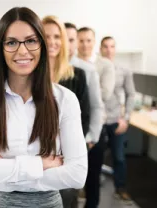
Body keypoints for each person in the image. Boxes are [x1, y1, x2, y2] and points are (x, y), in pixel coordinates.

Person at [0, 7, 88, 208]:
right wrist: (41, 164)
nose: (22, 51)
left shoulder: (65, 99)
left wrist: (4, 167)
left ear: (41, 45)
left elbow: (77, 175)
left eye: (31, 41)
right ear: (1, 48)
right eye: (12, 42)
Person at [42, 16, 90, 208]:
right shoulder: (27, 76)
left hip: (66, 161)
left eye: (56, 36)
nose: (52, 42)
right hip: (37, 160)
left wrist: (70, 154)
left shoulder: (77, 75)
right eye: (46, 36)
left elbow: (84, 118)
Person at [77, 27, 115, 208]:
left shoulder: (104, 65)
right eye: (81, 40)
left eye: (88, 40)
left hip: (97, 126)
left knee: (93, 177)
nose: (85, 44)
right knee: (73, 179)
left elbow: (105, 94)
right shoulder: (70, 63)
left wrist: (83, 91)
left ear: (94, 42)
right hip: (75, 127)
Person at [100, 36, 135, 204]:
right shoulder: (94, 68)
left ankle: (120, 189)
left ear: (115, 49)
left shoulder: (124, 70)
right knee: (91, 157)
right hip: (97, 120)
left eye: (112, 46)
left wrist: (126, 118)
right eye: (105, 46)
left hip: (116, 120)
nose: (108, 50)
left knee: (119, 157)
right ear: (100, 49)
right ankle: (83, 189)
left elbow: (131, 94)